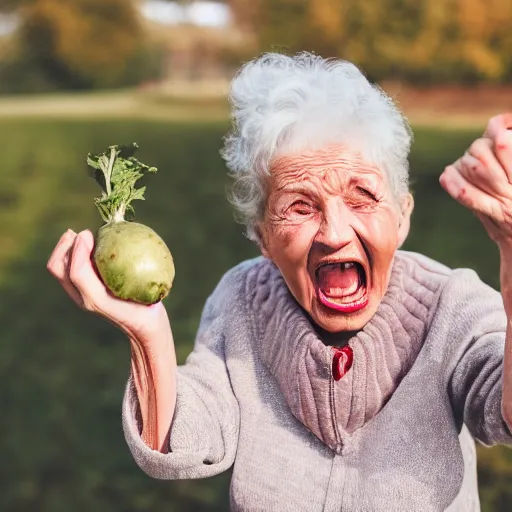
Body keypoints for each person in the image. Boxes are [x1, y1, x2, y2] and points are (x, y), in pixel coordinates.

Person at [47, 52, 512, 511]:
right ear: (263, 237)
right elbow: (180, 444)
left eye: (362, 197)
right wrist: (146, 329)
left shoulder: (452, 304)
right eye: (299, 206)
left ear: (402, 216)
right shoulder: (242, 302)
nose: (333, 234)